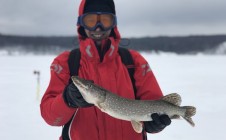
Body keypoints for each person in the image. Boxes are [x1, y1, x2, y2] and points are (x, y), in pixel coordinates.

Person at [40, 0, 171, 140]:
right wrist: (67, 100)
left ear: (113, 23)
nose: (98, 28)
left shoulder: (134, 61)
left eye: (105, 20)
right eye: (90, 20)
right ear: (81, 24)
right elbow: (51, 117)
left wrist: (154, 124)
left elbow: (156, 106)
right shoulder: (66, 62)